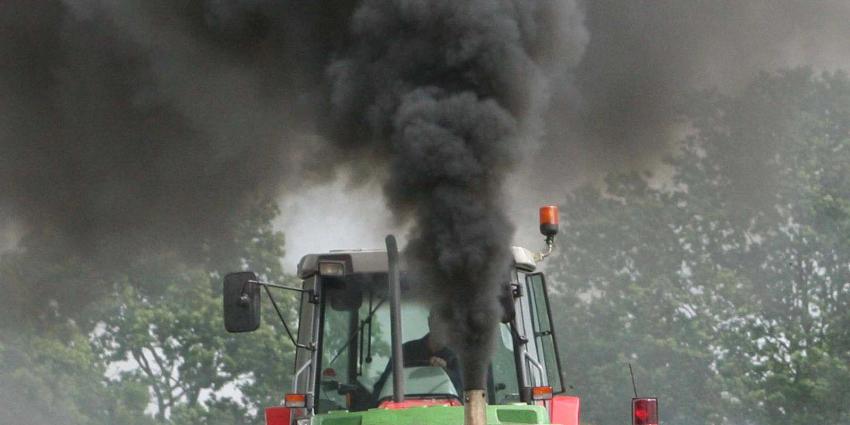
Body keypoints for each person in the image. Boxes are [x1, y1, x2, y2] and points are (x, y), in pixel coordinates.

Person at [372, 311, 463, 402]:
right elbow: (381, 390)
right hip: (404, 408)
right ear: (430, 322)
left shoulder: (457, 358)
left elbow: (463, 395)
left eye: (447, 322)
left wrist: (445, 372)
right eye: (439, 321)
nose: (442, 327)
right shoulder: (404, 352)